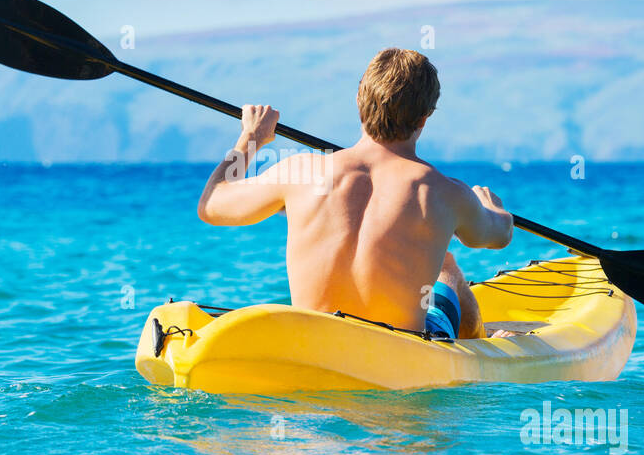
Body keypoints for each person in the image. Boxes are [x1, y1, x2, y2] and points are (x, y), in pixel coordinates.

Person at [196, 47, 514, 340]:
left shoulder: (300, 172)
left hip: (316, 343)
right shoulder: (445, 192)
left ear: (360, 101)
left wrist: (250, 138)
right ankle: (481, 346)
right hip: (402, 351)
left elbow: (211, 204)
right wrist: (492, 208)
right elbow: (498, 236)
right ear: (423, 118)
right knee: (447, 268)